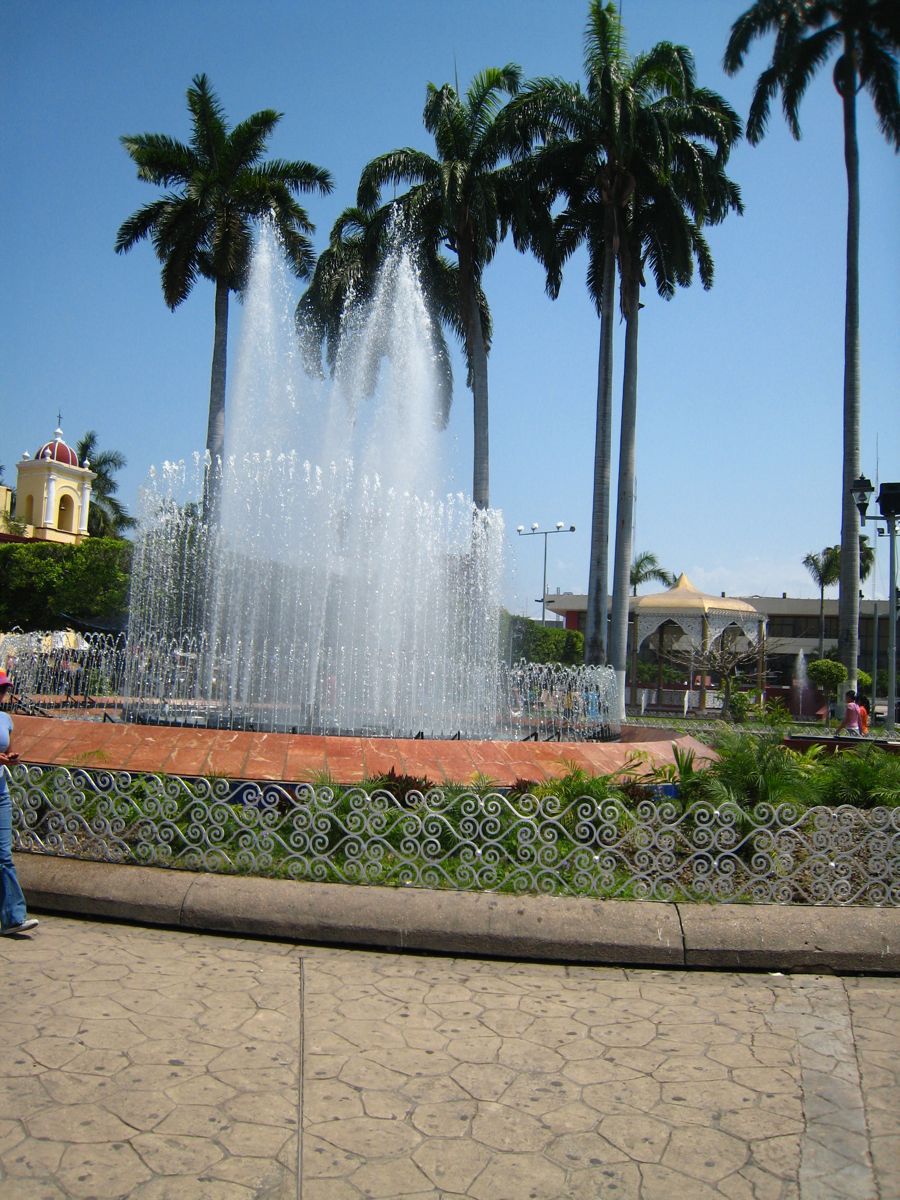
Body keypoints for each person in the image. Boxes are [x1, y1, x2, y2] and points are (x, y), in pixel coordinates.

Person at [0, 670, 38, 936]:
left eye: (3, 689)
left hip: (0, 792)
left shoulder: (5, 719)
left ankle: (14, 917)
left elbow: (4, 751)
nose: (1, 693)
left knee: (3, 856)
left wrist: (10, 756)